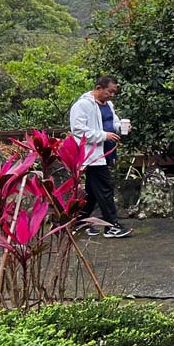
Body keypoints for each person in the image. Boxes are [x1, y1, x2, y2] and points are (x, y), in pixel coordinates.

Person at [70, 76, 133, 238]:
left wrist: (121, 128)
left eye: (114, 92)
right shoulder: (82, 105)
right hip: (92, 155)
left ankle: (78, 222)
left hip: (106, 152)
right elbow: (78, 129)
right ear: (99, 88)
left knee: (92, 191)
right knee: (105, 188)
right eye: (110, 91)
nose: (112, 95)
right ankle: (112, 226)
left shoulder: (109, 105)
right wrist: (103, 136)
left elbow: (113, 123)